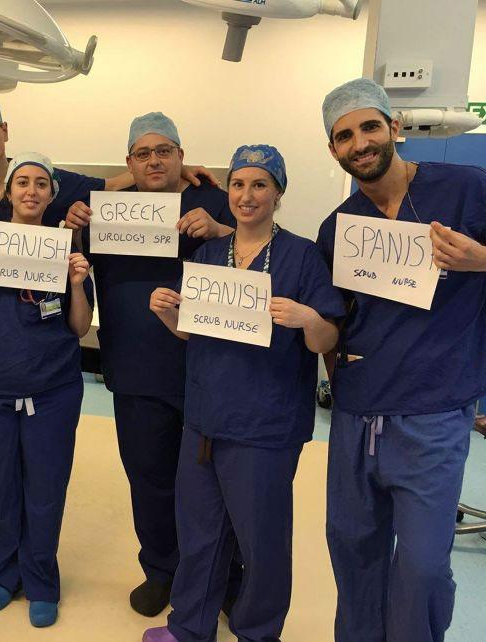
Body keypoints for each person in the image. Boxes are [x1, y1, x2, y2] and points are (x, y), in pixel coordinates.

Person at [0, 93, 219, 583]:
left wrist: (172, 170)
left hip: (55, 374)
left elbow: (110, 187)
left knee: (52, 479)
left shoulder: (82, 206)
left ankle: (46, 566)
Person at [143, 144, 344, 642]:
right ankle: (190, 626)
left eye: (259, 185)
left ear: (278, 192)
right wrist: (168, 311)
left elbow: (327, 340)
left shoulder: (302, 257)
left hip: (265, 426)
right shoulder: (211, 255)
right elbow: (194, 332)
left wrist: (308, 319)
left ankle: (258, 631)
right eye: (238, 184)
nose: (246, 195)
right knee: (200, 533)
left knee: (261, 541)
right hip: (206, 418)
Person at [317, 78, 486, 642]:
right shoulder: (338, 228)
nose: (359, 142)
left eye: (369, 126)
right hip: (357, 413)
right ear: (333, 149)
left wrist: (482, 260)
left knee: (422, 565)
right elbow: (336, 321)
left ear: (395, 127)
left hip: (432, 414)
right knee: (354, 551)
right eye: (344, 135)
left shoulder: (467, 190)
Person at [62, 112, 239, 616]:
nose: (154, 160)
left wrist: (222, 229)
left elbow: (269, 252)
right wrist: (73, 230)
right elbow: (64, 261)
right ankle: (161, 570)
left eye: (165, 151)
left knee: (213, 484)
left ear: (182, 157)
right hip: (134, 373)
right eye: (143, 153)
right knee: (149, 478)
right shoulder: (107, 214)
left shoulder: (214, 203)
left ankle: (223, 576)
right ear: (129, 163)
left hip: (206, 372)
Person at [0, 152, 93, 628]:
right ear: (8, 192)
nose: (31, 190)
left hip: (52, 392)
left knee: (45, 489)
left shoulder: (65, 249)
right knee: (2, 488)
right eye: (22, 182)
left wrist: (76, 282)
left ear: (52, 194)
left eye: (41, 184)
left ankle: (42, 579)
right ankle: (7, 573)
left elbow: (79, 326)